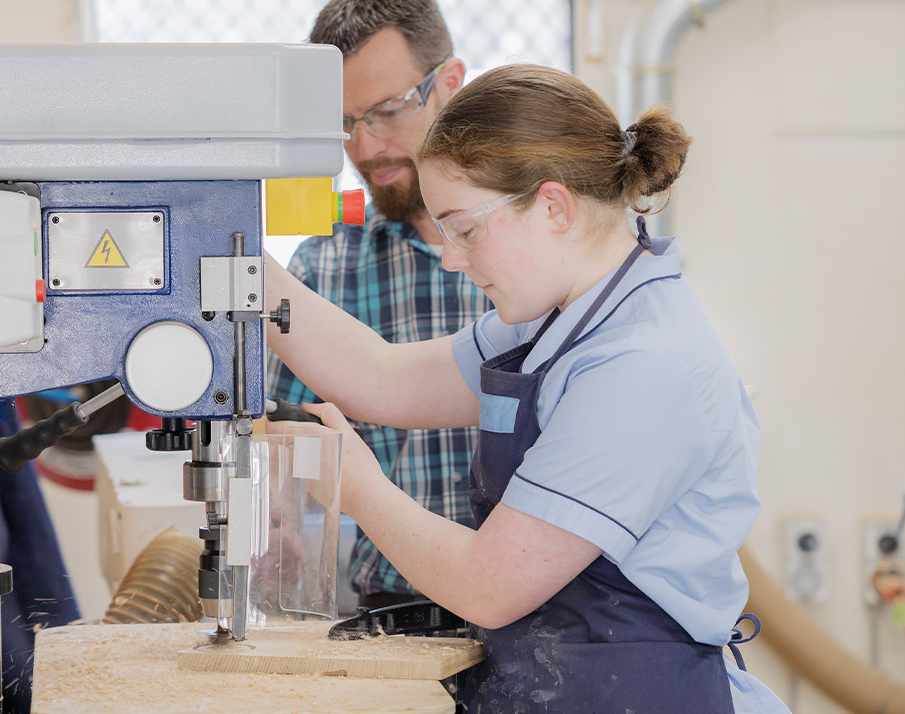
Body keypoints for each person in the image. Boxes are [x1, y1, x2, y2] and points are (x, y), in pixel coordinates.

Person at [267, 64, 790, 713]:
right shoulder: (558, 320)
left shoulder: (643, 365)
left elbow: (489, 585)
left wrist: (357, 487)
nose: (452, 259)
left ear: (553, 205)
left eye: (465, 228)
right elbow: (382, 379)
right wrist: (236, 260)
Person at [269, 0, 490, 610]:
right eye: (343, 123)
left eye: (388, 111)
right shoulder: (320, 268)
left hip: (542, 604)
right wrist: (276, 519)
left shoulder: (530, 250)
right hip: (395, 608)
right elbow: (282, 425)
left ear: (450, 83)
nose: (364, 148)